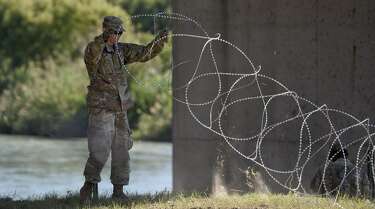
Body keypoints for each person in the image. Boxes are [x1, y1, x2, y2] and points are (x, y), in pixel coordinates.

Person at [79, 16, 168, 203]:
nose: (117, 36)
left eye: (119, 33)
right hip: (101, 107)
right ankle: (88, 187)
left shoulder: (121, 50)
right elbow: (92, 53)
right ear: (106, 31)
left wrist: (160, 41)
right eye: (114, 32)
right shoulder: (94, 49)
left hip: (120, 108)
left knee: (122, 150)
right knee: (99, 150)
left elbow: (144, 53)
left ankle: (118, 192)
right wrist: (103, 40)